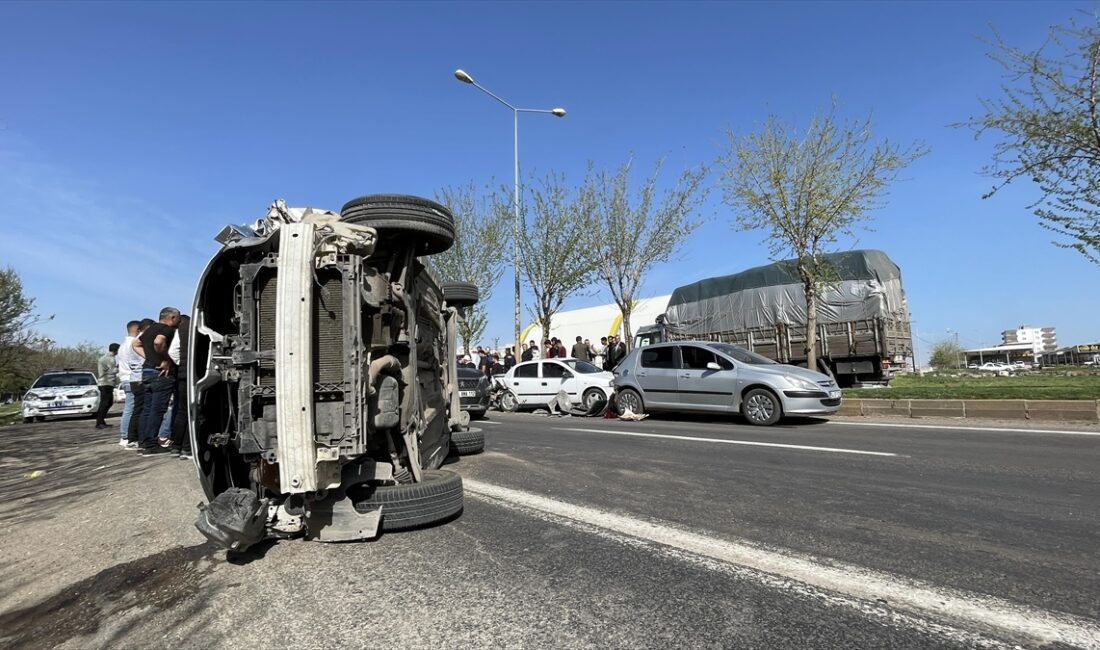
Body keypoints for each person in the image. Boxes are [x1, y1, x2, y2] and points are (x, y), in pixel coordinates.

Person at [134, 307, 180, 457]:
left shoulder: (149, 329)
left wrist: (149, 357)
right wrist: (164, 359)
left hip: (146, 372)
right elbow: (159, 342)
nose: (179, 322)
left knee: (146, 409)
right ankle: (151, 444)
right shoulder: (167, 329)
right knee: (157, 410)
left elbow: (135, 344)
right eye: (178, 319)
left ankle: (143, 443)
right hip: (161, 374)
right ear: (172, 318)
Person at [126, 319, 154, 448]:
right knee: (141, 410)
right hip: (139, 379)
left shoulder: (132, 342)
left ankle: (133, 437)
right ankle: (136, 437)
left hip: (134, 378)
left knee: (138, 409)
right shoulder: (139, 342)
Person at [168, 314, 192, 459]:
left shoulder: (181, 329)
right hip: (195, 375)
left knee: (182, 412)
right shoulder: (198, 327)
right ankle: (187, 449)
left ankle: (176, 447)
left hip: (182, 376)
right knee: (194, 412)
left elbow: (172, 351)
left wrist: (181, 363)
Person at [116, 320, 140, 446]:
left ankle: (125, 435)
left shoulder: (122, 346)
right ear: (137, 330)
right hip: (131, 378)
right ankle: (125, 436)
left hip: (125, 378)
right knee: (131, 409)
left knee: (129, 408)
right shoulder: (133, 344)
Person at [94, 343, 120, 429]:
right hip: (106, 383)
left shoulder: (105, 358)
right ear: (116, 350)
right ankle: (99, 422)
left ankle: (101, 421)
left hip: (106, 383)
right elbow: (112, 370)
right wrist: (119, 367)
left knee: (108, 402)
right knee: (105, 403)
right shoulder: (110, 359)